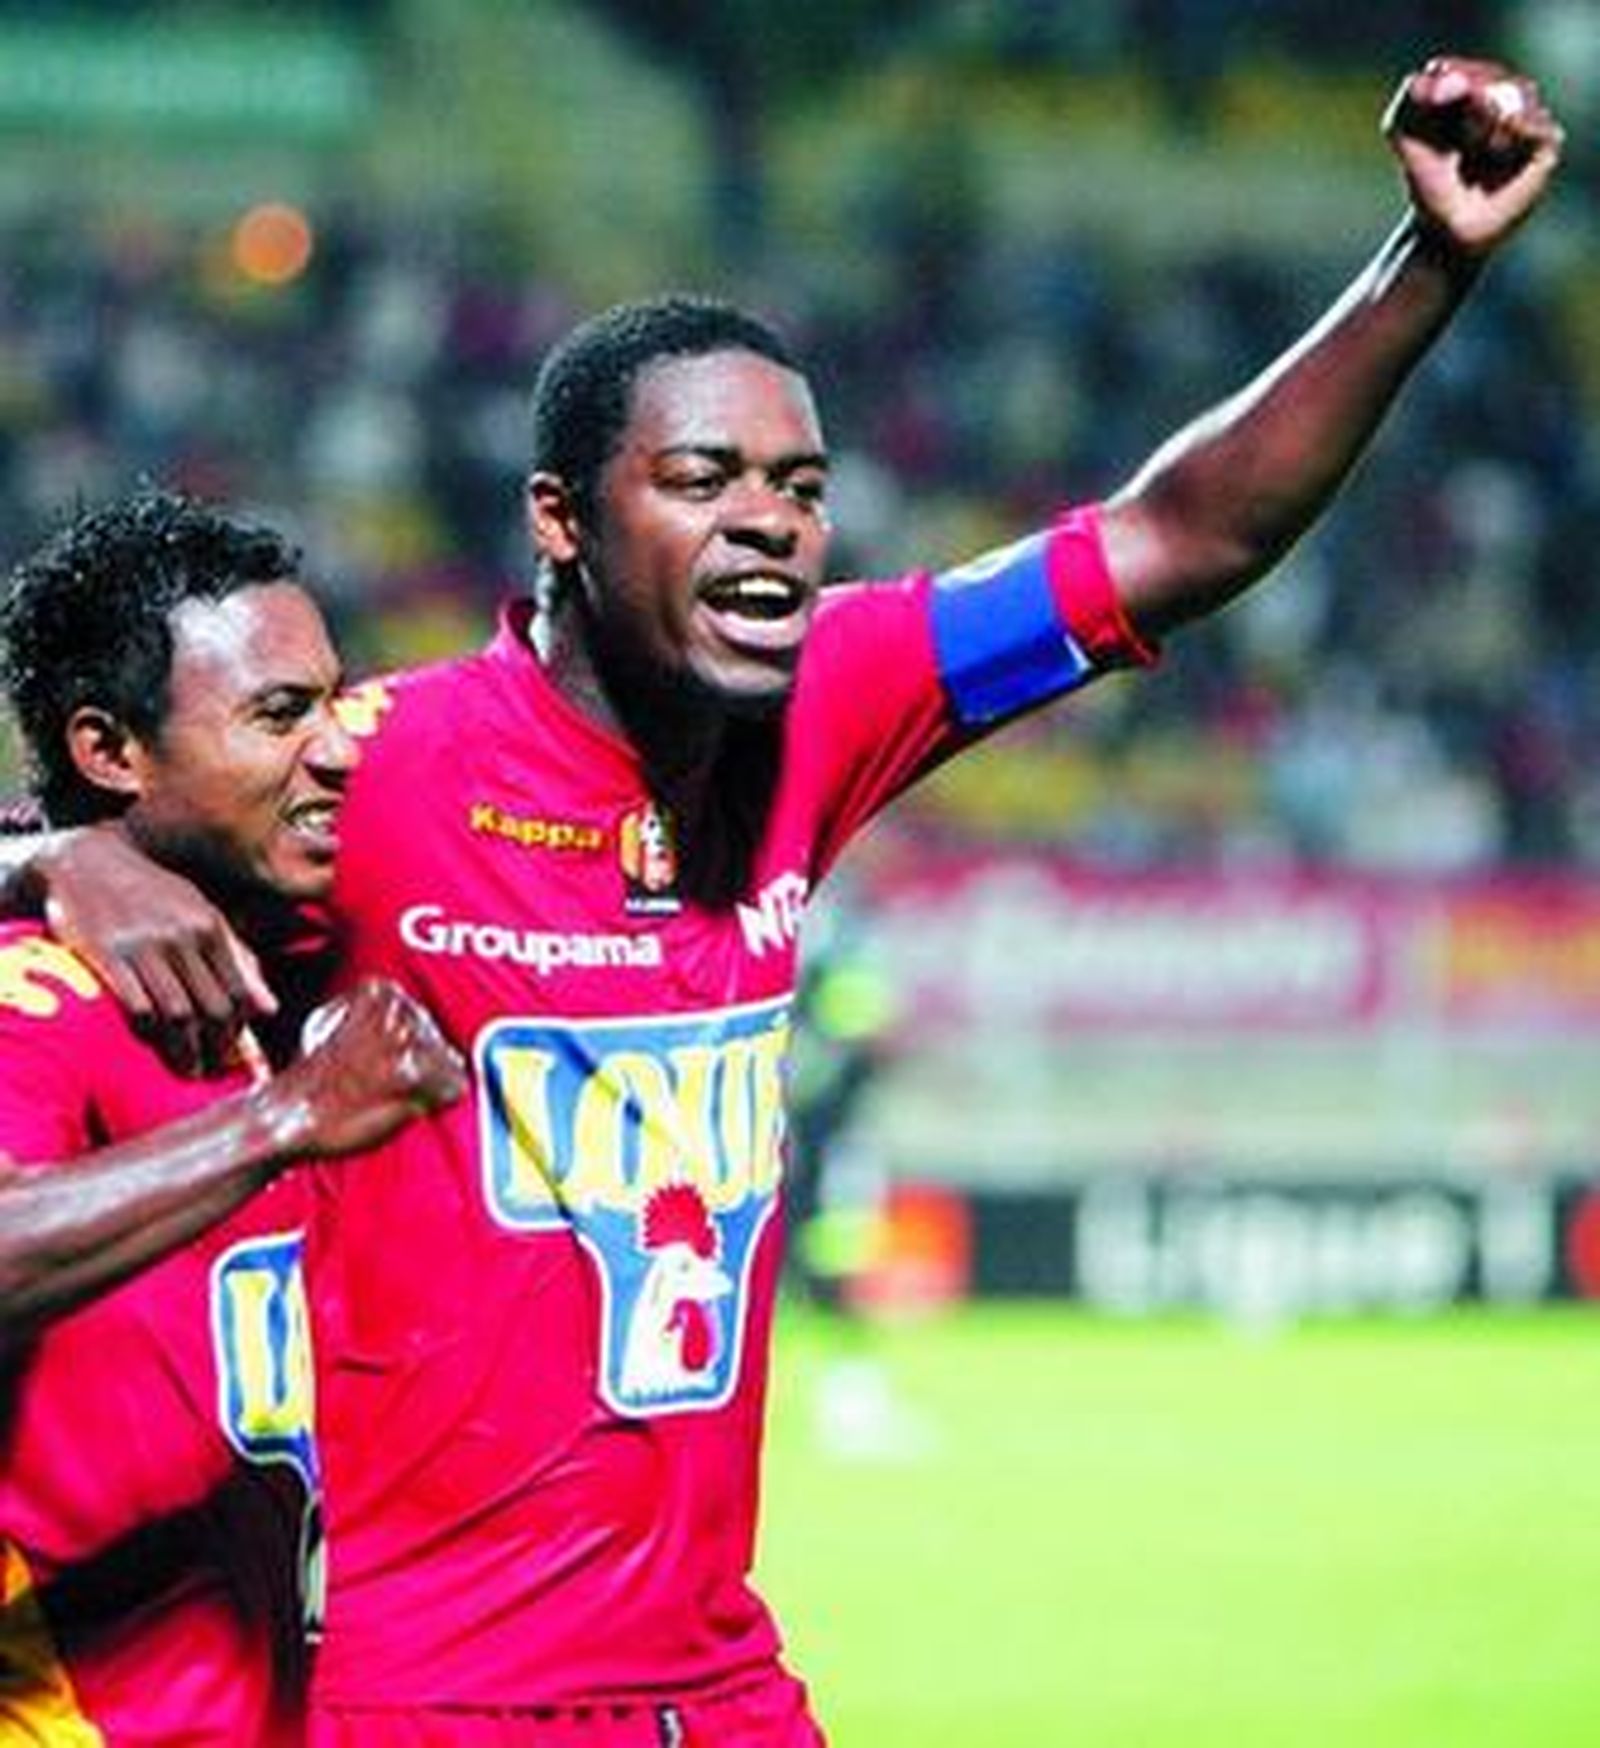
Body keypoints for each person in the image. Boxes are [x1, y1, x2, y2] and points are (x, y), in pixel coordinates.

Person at [6, 56, 1563, 1746]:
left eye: (802, 488)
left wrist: (1431, 266)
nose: (768, 525)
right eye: (702, 481)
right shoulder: (375, 766)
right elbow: (141, 806)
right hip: (441, 1694)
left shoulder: (835, 700)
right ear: (561, 522)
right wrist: (46, 851)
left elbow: (1172, 534)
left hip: (723, 1685)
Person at [0, 490, 466, 1744]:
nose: (338, 746)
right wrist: (284, 1121)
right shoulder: (34, 987)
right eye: (278, 713)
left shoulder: (275, 961)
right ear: (110, 749)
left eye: (332, 699)